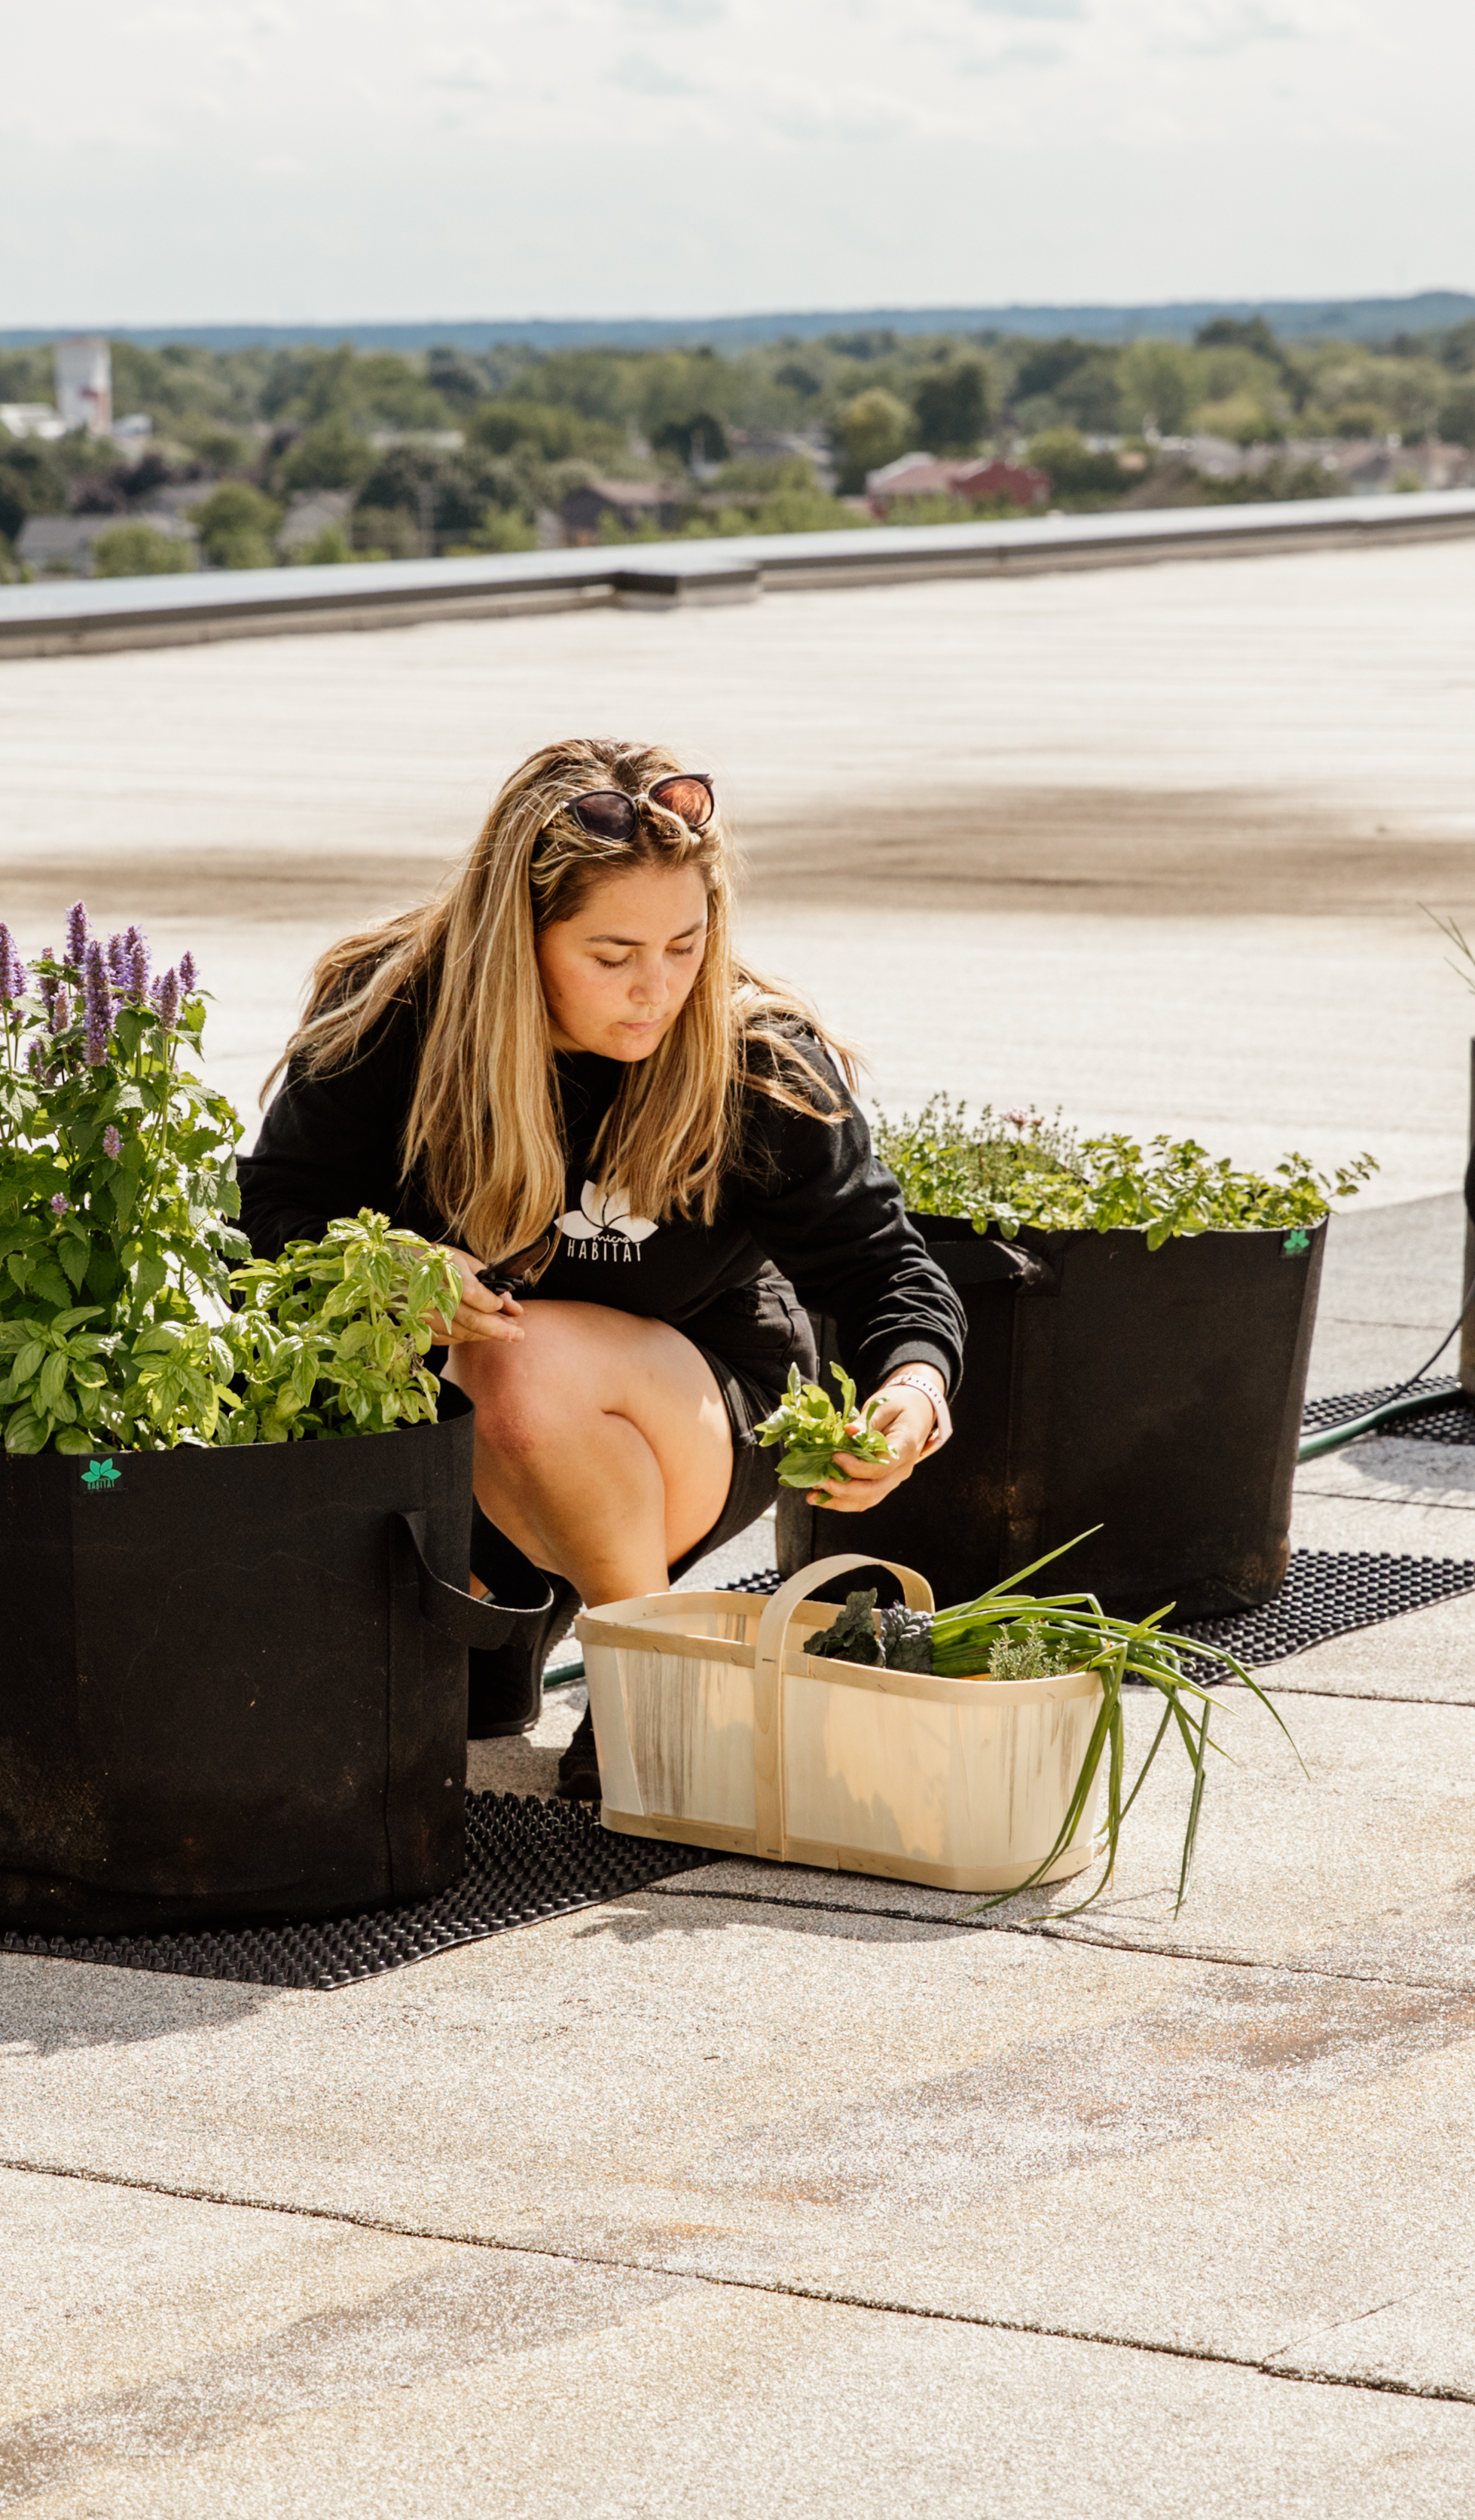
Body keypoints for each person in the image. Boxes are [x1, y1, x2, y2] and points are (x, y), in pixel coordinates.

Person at [238, 736, 965, 1793]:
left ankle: (663, 1686)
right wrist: (393, 1269)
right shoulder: (398, 1014)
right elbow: (272, 1213)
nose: (655, 990)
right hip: (454, 1434)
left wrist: (915, 1387)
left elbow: (886, 1265)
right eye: (612, 955)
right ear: (516, 940)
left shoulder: (754, 1060)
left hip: (695, 1404)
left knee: (520, 1360)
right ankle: (528, 1597)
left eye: (684, 946)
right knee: (457, 1706)